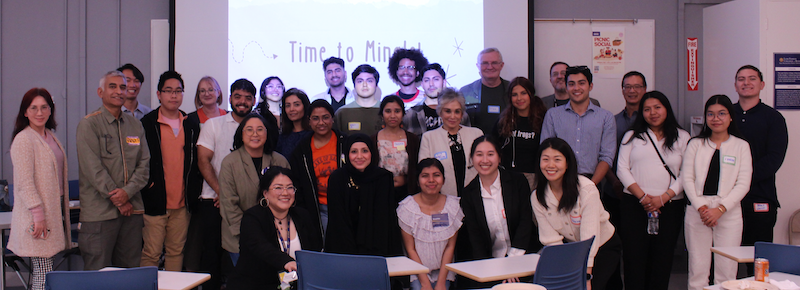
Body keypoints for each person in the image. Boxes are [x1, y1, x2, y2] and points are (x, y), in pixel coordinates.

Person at [616, 91, 690, 290]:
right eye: (647, 109)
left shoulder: (682, 137)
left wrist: (664, 197)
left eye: (657, 107)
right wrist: (643, 197)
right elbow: (622, 169)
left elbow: (688, 174)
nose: (653, 113)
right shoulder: (632, 136)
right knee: (634, 258)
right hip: (635, 205)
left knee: (662, 259)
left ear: (666, 109)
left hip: (671, 206)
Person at [77, 70, 150, 270]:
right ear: (100, 92)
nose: (119, 91)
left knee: (129, 273)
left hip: (131, 212)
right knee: (97, 274)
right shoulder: (89, 124)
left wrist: (127, 193)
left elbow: (144, 165)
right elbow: (93, 169)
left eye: (123, 87)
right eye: (113, 86)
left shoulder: (135, 125)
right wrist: (118, 199)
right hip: (100, 214)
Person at [683, 95, 752, 290]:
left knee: (727, 270)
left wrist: (720, 209)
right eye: (711, 114)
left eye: (722, 113)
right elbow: (687, 178)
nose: (716, 118)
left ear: (731, 117)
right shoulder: (695, 144)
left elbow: (743, 183)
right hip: (698, 212)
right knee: (697, 269)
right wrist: (702, 207)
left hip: (728, 213)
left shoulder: (741, 146)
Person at [533, 137, 620, 290]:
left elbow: (590, 236)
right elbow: (551, 241)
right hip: (570, 250)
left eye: (557, 159)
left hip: (602, 247)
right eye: (545, 159)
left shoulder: (586, 189)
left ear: (567, 163)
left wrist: (586, 276)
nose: (550, 165)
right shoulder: (537, 197)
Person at [195, 78, 256, 288]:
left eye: (248, 98)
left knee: (244, 255)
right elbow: (203, 160)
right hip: (213, 200)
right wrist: (222, 192)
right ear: (229, 98)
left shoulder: (258, 126)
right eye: (238, 96)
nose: (242, 102)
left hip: (248, 204)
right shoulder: (214, 124)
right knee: (212, 255)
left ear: (254, 101)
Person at [8, 88, 72, 290]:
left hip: (52, 213)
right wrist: (38, 215)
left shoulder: (49, 136)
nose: (39, 112)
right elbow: (25, 183)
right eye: (33, 108)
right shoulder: (24, 139)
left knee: (46, 271)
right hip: (37, 217)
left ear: (51, 110)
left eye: (44, 107)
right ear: (25, 112)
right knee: (44, 273)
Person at [140, 71, 202, 271]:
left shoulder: (191, 124)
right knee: (151, 253)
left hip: (183, 204)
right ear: (159, 94)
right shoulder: (148, 124)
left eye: (178, 91)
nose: (173, 95)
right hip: (155, 201)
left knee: (176, 252)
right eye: (168, 91)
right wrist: (149, 186)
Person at [459, 136, 539, 288]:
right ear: (472, 158)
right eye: (479, 154)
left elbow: (525, 222)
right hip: (491, 263)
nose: (485, 160)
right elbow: (475, 239)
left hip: (523, 258)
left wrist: (512, 264)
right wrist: (492, 271)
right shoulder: (469, 194)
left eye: (490, 154)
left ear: (499, 157)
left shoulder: (518, 182)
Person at [227, 167, 324, 290]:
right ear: (265, 193)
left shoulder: (302, 216)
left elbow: (313, 252)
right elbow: (260, 246)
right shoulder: (252, 217)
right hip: (256, 285)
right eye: (278, 188)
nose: (285, 193)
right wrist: (287, 261)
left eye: (289, 187)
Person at [732, 65, 788, 275]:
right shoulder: (726, 115)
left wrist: (743, 180)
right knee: (725, 257)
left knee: (757, 259)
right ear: (735, 85)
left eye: (752, 78)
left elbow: (773, 159)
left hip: (760, 198)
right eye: (741, 79)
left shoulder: (773, 118)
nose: (746, 82)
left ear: (762, 84)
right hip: (727, 200)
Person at [219, 113, 290, 265]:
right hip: (240, 236)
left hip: (277, 234)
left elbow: (289, 197)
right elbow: (228, 204)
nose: (255, 134)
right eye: (249, 130)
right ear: (241, 134)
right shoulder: (230, 163)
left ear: (267, 133)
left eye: (260, 129)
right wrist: (251, 233)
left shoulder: (279, 160)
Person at [324, 133, 403, 258]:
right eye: (354, 151)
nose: (359, 156)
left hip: (376, 249)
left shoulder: (383, 178)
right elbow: (338, 221)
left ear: (372, 153)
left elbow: (383, 221)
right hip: (343, 249)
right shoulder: (337, 178)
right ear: (347, 154)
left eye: (364, 151)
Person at [540, 65, 616, 187]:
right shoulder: (553, 115)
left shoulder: (606, 117)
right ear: (566, 86)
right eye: (571, 84)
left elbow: (606, 157)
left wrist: (590, 186)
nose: (576, 88)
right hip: (559, 181)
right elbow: (546, 150)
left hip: (593, 181)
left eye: (581, 83)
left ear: (590, 86)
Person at [397, 158, 463, 290]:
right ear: (417, 181)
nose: (431, 180)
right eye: (425, 176)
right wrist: (425, 283)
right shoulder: (407, 208)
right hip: (417, 272)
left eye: (436, 175)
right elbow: (410, 249)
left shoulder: (453, 206)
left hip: (444, 271)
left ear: (443, 179)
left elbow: (450, 247)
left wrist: (441, 283)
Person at [290, 100, 346, 235]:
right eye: (315, 118)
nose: (321, 123)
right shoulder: (301, 149)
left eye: (325, 117)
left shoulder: (345, 143)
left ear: (332, 119)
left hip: (345, 206)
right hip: (318, 209)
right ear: (309, 121)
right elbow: (297, 182)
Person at [418, 88, 483, 197]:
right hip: (442, 199)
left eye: (457, 111)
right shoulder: (429, 138)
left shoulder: (476, 134)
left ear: (462, 114)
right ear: (440, 112)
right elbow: (424, 173)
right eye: (448, 111)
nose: (453, 116)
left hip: (474, 198)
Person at [491, 77, 546, 189]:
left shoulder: (543, 119)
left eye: (523, 93)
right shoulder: (504, 120)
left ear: (531, 94)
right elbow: (492, 144)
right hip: (508, 176)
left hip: (535, 177)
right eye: (514, 95)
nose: (519, 98)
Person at [404, 63, 470, 138]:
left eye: (436, 79)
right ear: (422, 84)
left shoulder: (459, 114)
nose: (431, 84)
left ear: (444, 82)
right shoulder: (410, 115)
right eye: (427, 80)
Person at [374, 96, 421, 202]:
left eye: (397, 111)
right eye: (388, 111)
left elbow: (416, 168)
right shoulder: (373, 139)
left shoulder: (412, 139)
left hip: (407, 193)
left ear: (403, 114)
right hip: (380, 192)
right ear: (382, 114)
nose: (392, 115)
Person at [460, 48, 509, 133]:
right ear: (478, 66)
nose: (490, 67)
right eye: (484, 63)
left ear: (501, 65)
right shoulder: (465, 92)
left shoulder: (512, 90)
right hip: (474, 144)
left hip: (507, 144)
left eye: (494, 63)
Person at [334, 64, 383, 136]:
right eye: (360, 81)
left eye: (369, 81)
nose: (365, 85)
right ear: (354, 85)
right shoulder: (342, 112)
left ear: (376, 85)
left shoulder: (387, 111)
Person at [275, 88, 312, 157]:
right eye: (288, 105)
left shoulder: (314, 134)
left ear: (305, 106)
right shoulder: (282, 138)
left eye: (296, 105)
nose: (292, 109)